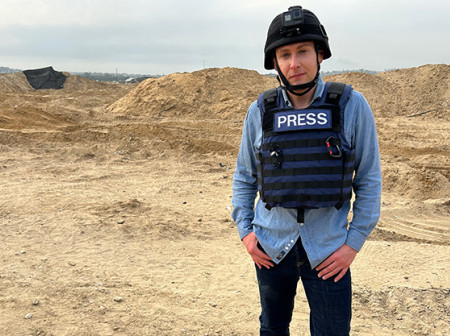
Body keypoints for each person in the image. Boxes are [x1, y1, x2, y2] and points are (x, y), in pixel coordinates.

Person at [231, 5, 382, 336]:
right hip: (272, 248)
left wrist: (352, 245)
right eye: (284, 55)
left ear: (320, 55)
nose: (294, 63)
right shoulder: (260, 112)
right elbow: (245, 176)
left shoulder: (351, 106)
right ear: (275, 63)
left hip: (328, 251)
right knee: (272, 328)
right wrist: (245, 232)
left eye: (302, 51)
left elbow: (369, 180)